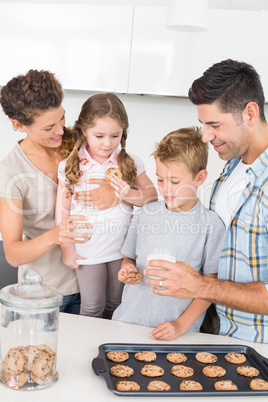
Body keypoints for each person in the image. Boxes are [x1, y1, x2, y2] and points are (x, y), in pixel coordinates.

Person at [145, 59, 268, 343]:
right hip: (214, 332)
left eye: (214, 125)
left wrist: (200, 286)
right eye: (203, 124)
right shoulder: (232, 167)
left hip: (255, 344)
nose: (205, 136)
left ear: (250, 113)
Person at [112, 127, 225, 340]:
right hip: (127, 323)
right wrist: (126, 269)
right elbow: (130, 258)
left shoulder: (211, 225)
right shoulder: (144, 214)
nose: (166, 189)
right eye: (160, 179)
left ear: (199, 178)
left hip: (178, 333)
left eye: (175, 182)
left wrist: (180, 325)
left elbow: (210, 286)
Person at [0, 69, 97, 314]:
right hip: (46, 292)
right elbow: (12, 254)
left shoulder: (79, 143)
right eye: (48, 128)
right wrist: (56, 236)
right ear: (19, 125)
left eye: (62, 118)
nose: (60, 130)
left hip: (93, 281)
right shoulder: (11, 171)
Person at [55, 92, 157, 318]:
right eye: (99, 135)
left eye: (115, 136)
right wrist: (66, 248)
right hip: (88, 252)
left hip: (122, 250)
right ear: (84, 130)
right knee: (92, 307)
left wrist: (126, 194)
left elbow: (151, 197)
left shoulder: (130, 162)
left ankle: (110, 352)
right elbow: (63, 212)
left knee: (116, 305)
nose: (107, 143)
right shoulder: (71, 165)